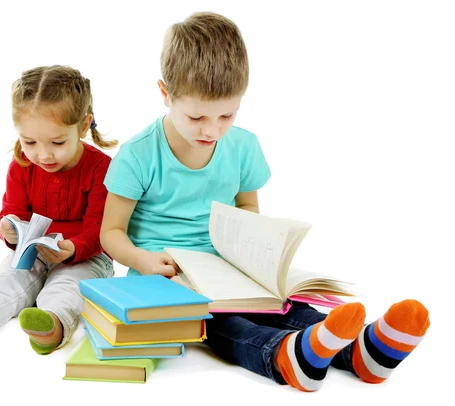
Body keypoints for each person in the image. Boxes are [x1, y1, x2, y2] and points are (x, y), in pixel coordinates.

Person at [100, 12, 430, 391]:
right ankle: (281, 356)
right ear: (165, 94)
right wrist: (143, 259)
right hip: (167, 280)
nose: (212, 130)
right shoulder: (139, 155)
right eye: (196, 116)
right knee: (222, 322)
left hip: (224, 267)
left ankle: (363, 351)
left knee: (281, 305)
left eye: (227, 114)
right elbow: (111, 232)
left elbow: (247, 209)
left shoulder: (242, 146)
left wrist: (251, 250)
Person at [0, 65, 116, 354]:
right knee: (5, 281)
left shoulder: (100, 167)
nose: (43, 154)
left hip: (85, 256)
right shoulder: (21, 165)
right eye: (29, 142)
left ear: (83, 125)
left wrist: (73, 248)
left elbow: (101, 228)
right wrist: (9, 227)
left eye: (57, 142)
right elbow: (13, 212)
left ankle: (52, 324)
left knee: (68, 287)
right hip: (34, 252)